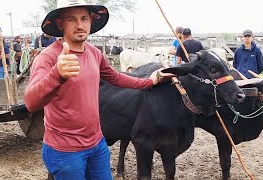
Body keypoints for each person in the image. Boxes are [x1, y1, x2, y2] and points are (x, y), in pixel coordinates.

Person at [24, 0, 173, 179]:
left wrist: (149, 82)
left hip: (96, 144)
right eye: (72, 19)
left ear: (91, 21)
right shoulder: (48, 58)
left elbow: (116, 77)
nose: (80, 25)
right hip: (65, 151)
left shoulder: (95, 53)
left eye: (84, 18)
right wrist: (57, 74)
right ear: (60, 23)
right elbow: (31, 103)